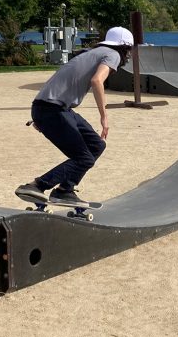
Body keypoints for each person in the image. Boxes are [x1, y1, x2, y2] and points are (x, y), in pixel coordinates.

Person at [15, 26, 134, 206]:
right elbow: (97, 81)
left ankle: (65, 190)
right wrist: (104, 117)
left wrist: (40, 116)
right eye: (130, 50)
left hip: (55, 109)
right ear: (125, 47)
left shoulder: (91, 52)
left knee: (96, 145)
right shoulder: (113, 54)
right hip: (51, 110)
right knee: (84, 158)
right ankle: (37, 185)